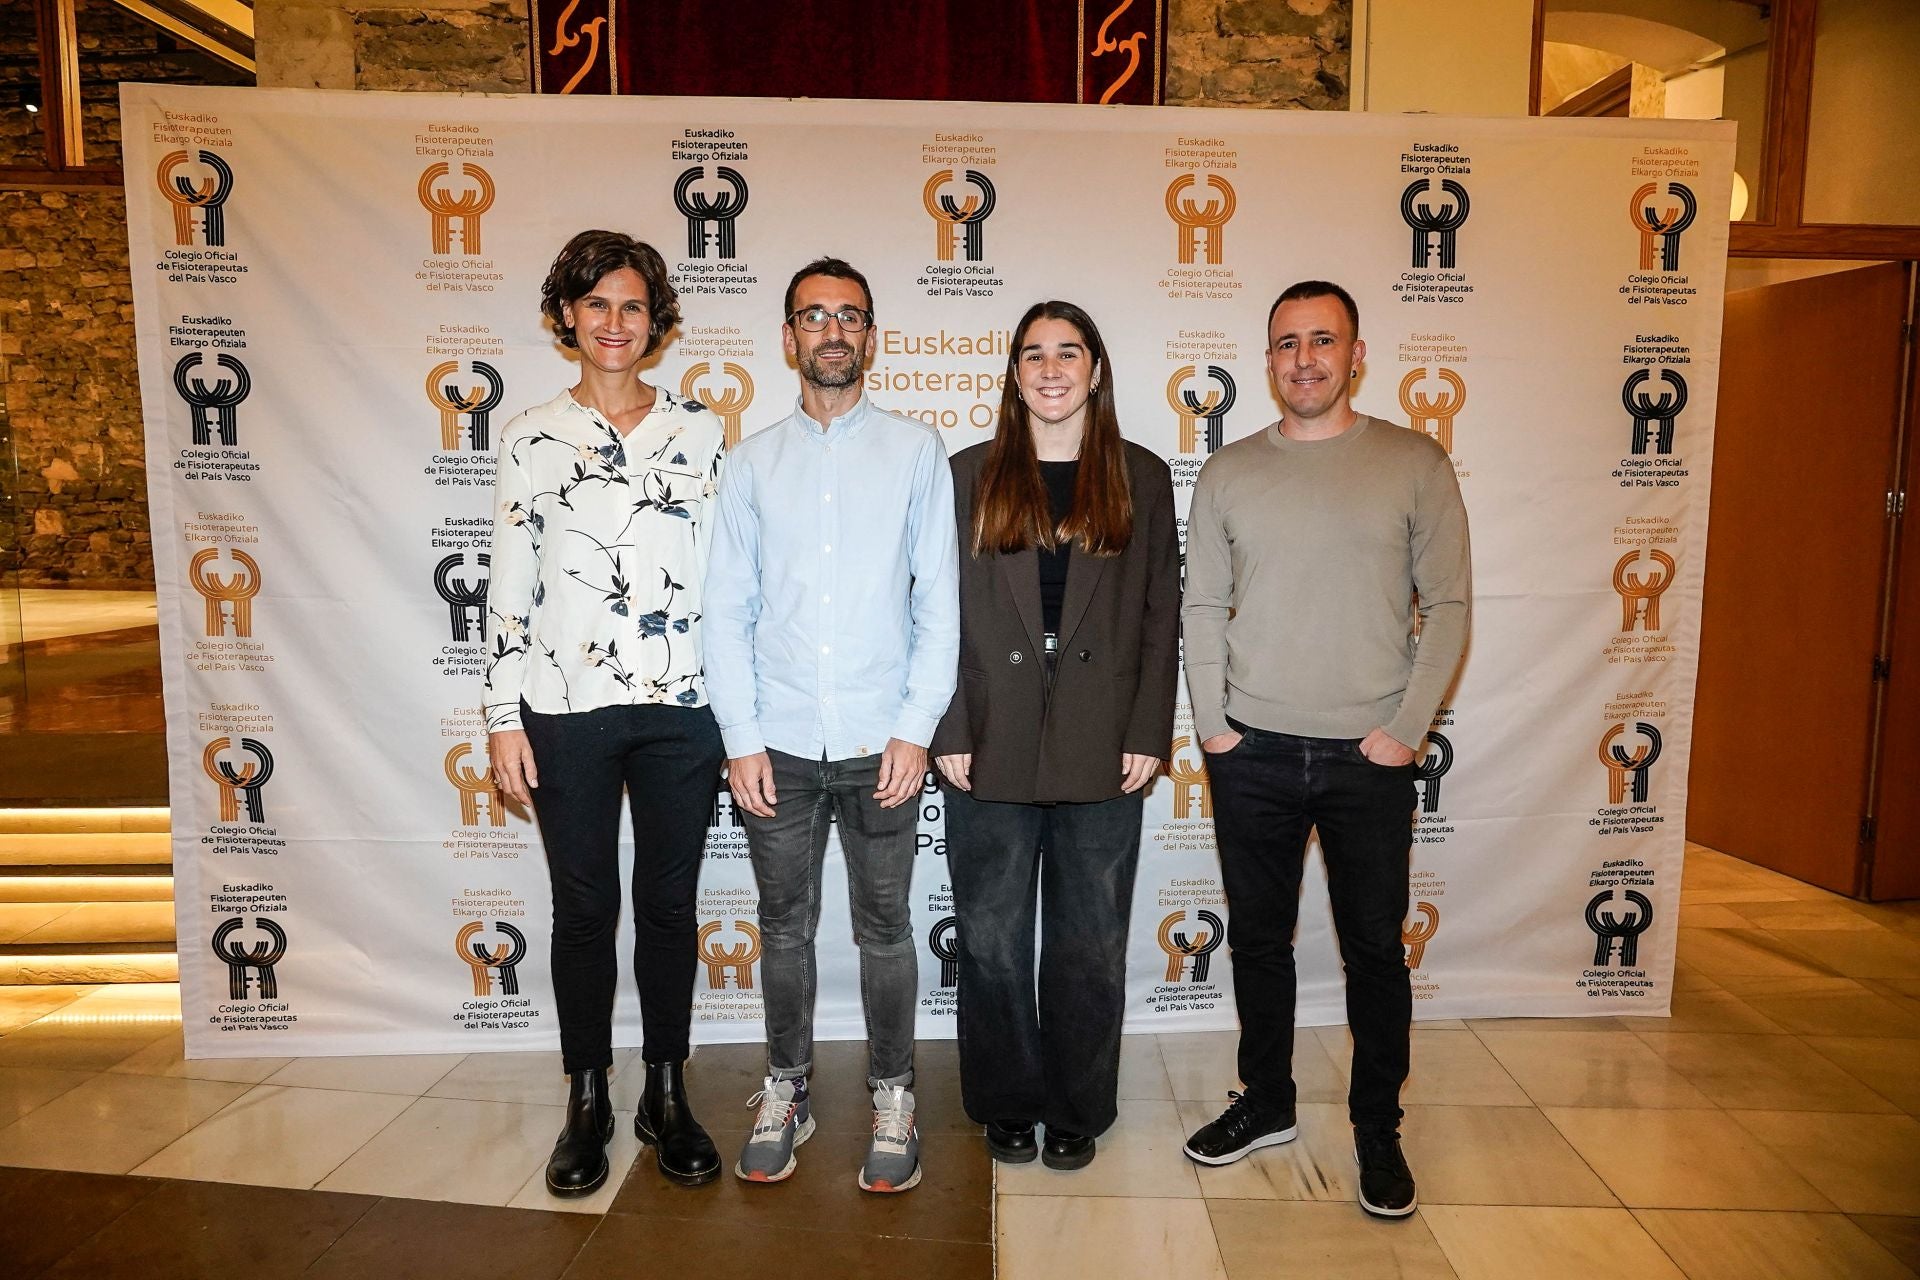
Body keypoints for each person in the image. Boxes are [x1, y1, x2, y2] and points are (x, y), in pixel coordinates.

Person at [1180, 280, 1470, 1219]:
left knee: (1374, 952)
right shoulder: (1228, 473)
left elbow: (1452, 606)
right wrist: (1215, 726)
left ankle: (1377, 1131)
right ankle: (1266, 1104)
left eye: (1323, 340)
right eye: (1286, 343)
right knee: (1259, 942)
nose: (1304, 358)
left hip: (1368, 756)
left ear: (1356, 355)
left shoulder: (1415, 463)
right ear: (1267, 361)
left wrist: (1406, 731)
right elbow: (1200, 609)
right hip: (1252, 750)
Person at [702, 256, 959, 1192]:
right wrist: (739, 737)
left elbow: (940, 605)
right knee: (783, 928)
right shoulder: (750, 462)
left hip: (881, 742)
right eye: (814, 317)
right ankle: (788, 1088)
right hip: (775, 744)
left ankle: (895, 1094)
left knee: (887, 929)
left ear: (873, 339)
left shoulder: (917, 451)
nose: (833, 332)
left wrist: (915, 726)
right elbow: (724, 611)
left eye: (850, 316)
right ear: (788, 339)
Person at [483, 229, 727, 1195]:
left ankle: (666, 1091)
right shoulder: (528, 437)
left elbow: (726, 585)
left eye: (632, 306)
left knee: (669, 906)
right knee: (584, 908)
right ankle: (587, 1098)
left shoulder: (704, 433)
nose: (614, 324)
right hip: (565, 708)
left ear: (655, 323)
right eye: (596, 306)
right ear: (567, 319)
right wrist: (503, 714)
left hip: (683, 709)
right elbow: (508, 584)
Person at [930, 301, 1178, 1171]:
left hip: (1105, 741)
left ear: (1096, 370)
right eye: (1033, 354)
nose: (1050, 368)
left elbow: (1160, 615)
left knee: (1088, 944)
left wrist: (1150, 727)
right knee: (992, 939)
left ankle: (1076, 1105)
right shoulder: (964, 475)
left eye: (1069, 352)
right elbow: (933, 615)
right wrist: (949, 727)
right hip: (985, 738)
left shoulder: (1141, 477)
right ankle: (1006, 1099)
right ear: (1013, 373)